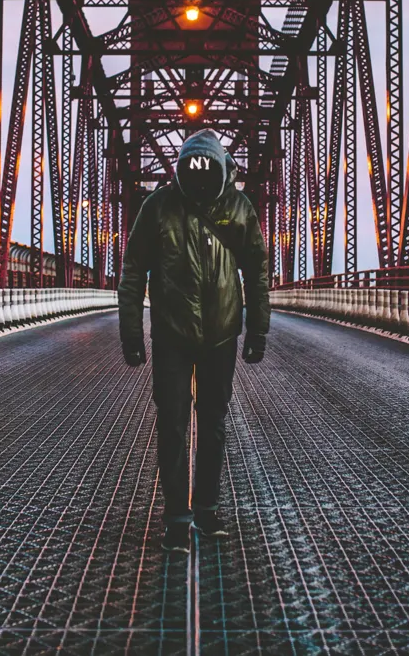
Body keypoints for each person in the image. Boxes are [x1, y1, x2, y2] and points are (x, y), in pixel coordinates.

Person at [118, 129, 270, 554]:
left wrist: (259, 327)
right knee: (174, 424)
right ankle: (178, 517)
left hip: (220, 333)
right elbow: (134, 270)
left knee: (212, 425)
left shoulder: (238, 208)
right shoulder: (159, 207)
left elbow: (257, 268)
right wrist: (131, 331)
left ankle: (204, 509)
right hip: (173, 332)